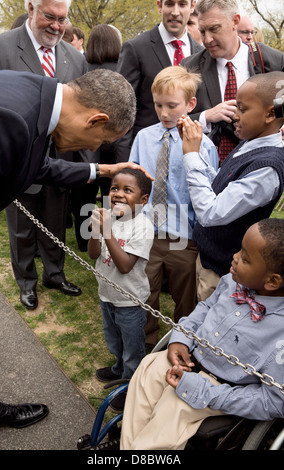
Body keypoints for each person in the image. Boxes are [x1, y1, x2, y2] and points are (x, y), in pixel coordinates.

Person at [0, 66, 150, 435]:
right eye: (98, 141)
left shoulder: (31, 93)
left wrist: (103, 170)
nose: (87, 149)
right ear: (96, 119)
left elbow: (35, 166)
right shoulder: (11, 119)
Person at [120, 218, 284, 450]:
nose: (235, 256)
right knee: (149, 367)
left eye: (245, 258)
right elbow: (205, 309)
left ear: (272, 280)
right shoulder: (230, 282)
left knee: (174, 405)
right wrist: (181, 338)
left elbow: (274, 401)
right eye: (239, 249)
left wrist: (207, 392)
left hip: (221, 389)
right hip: (190, 359)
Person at [0, 0, 88, 310]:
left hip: (61, 159)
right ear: (31, 8)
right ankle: (26, 282)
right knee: (21, 228)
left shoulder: (73, 57)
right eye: (49, 17)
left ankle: (54, 274)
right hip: (16, 161)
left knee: (55, 222)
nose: (57, 26)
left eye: (62, 19)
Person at [129, 66, 219, 346]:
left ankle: (182, 342)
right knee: (146, 290)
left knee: (185, 294)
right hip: (147, 231)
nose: (164, 113)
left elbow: (207, 192)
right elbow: (133, 179)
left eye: (172, 105)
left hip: (184, 233)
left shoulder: (204, 145)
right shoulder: (144, 137)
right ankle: (146, 342)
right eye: (158, 105)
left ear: (191, 104)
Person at [177, 71, 284, 301]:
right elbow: (220, 185)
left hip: (222, 273)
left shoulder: (267, 169)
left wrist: (192, 157)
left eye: (243, 109)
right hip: (207, 258)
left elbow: (211, 213)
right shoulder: (250, 142)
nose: (235, 115)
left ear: (270, 114)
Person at [181, 0, 284, 164]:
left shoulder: (272, 61)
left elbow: (281, 108)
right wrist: (206, 116)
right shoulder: (189, 67)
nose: (207, 40)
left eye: (214, 29)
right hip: (207, 168)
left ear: (235, 21)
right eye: (202, 31)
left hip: (260, 166)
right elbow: (172, 118)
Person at [88, 168, 154, 412]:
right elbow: (93, 253)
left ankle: (130, 385)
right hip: (107, 294)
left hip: (130, 301)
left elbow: (125, 266)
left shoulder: (143, 227)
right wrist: (98, 230)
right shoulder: (109, 219)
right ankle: (118, 369)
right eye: (114, 188)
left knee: (132, 346)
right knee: (113, 338)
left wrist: (107, 232)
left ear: (143, 200)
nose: (118, 194)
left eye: (128, 190)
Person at [115, 0, 203, 162]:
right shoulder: (136, 48)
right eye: (170, 4)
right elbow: (122, 111)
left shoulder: (202, 54)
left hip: (187, 158)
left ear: (192, 7)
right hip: (146, 157)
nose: (175, 12)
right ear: (159, 5)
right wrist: (126, 165)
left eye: (182, 4)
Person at [71, 24, 123, 252]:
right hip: (115, 144)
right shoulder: (123, 70)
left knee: (84, 195)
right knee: (113, 194)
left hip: (86, 145)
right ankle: (112, 237)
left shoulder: (81, 69)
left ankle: (84, 240)